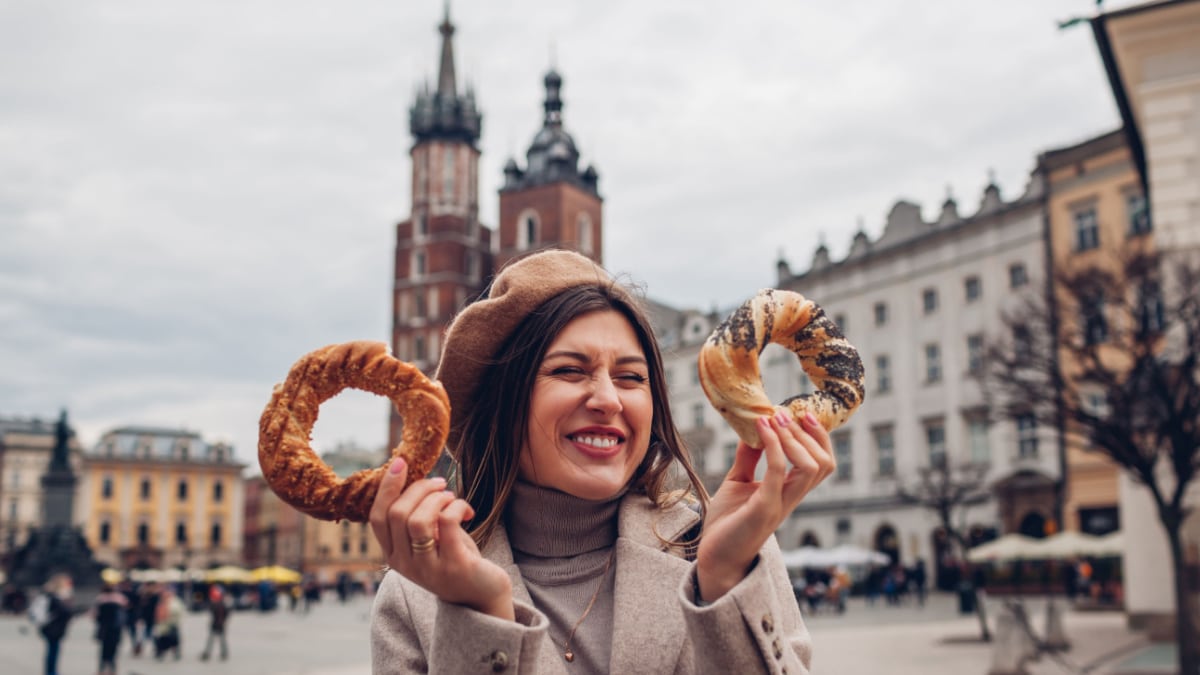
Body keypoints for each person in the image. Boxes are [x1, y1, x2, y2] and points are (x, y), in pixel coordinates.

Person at [369, 249, 835, 673]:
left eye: (631, 377)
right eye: (569, 370)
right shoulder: (418, 594)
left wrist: (723, 581)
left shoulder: (727, 544)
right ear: (501, 403)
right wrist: (484, 615)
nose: (609, 399)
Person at [28, 573, 75, 675]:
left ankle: (50, 671)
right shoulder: (56, 597)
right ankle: (51, 671)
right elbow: (65, 612)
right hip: (53, 629)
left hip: (51, 628)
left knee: (52, 650)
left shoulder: (51, 596)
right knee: (53, 651)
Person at [93, 583, 128, 675]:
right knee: (113, 650)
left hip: (104, 628)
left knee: (103, 650)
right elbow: (125, 611)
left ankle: (101, 669)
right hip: (115, 629)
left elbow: (96, 615)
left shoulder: (100, 599)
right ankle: (112, 669)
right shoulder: (120, 599)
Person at [152, 585, 184, 660]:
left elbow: (178, 612)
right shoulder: (162, 601)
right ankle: (160, 652)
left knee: (173, 639)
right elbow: (157, 613)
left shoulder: (175, 601)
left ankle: (175, 652)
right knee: (162, 639)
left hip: (172, 624)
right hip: (163, 625)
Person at [199, 584, 230, 661]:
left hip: (216, 624)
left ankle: (209, 653)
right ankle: (223, 653)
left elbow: (224, 613)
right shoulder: (222, 604)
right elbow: (227, 613)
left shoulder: (216, 604)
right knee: (219, 640)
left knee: (214, 640)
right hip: (219, 624)